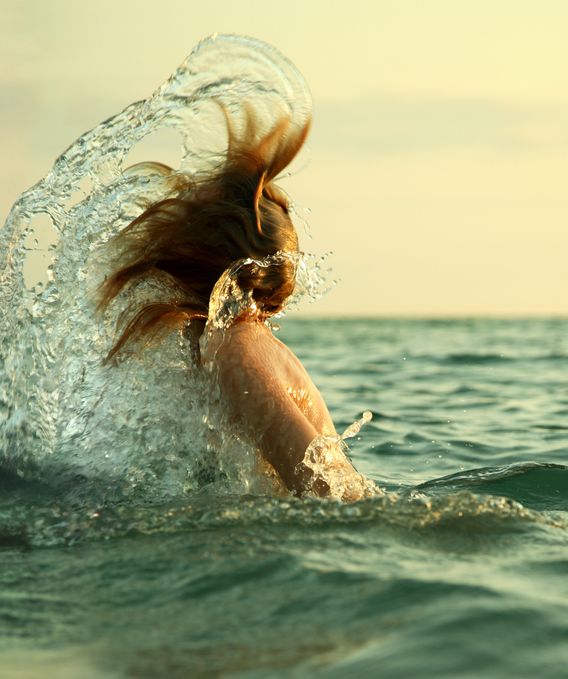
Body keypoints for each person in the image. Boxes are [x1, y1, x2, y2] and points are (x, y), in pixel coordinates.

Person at [98, 109, 373, 501]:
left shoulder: (233, 352)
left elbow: (336, 493)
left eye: (183, 218)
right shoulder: (225, 341)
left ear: (197, 251)